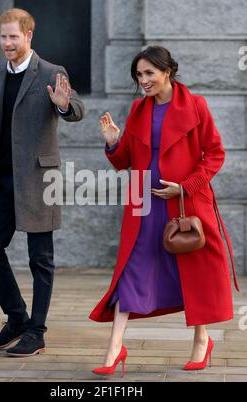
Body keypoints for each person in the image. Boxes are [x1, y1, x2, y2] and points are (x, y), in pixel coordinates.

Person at [89, 46, 239, 376]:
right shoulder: (138, 109)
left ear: (166, 71)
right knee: (132, 269)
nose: (143, 80)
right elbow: (125, 160)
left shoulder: (195, 105)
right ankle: (114, 349)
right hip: (144, 204)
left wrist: (185, 186)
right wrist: (114, 141)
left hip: (185, 203)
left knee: (192, 270)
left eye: (149, 73)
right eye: (139, 75)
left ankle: (202, 340)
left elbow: (214, 154)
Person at [0, 8, 84, 357]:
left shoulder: (50, 72)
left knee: (40, 259)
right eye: (3, 37)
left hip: (37, 177)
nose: (7, 43)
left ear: (29, 36)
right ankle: (17, 318)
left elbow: (76, 108)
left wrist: (63, 106)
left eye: (13, 37)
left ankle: (37, 331)